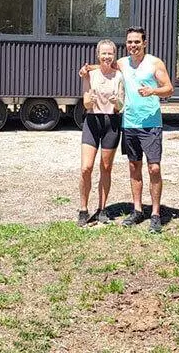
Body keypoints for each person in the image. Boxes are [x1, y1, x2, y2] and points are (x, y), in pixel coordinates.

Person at [80, 26, 174, 233]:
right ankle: (137, 210)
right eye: (130, 42)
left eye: (137, 42)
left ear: (144, 43)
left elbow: (169, 88)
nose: (133, 45)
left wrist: (153, 91)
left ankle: (156, 214)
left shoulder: (154, 63)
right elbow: (105, 66)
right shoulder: (122, 63)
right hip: (129, 123)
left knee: (154, 168)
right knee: (134, 168)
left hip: (151, 123)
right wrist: (86, 71)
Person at [78, 39, 125, 227]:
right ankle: (83, 209)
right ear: (98, 55)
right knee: (86, 168)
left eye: (110, 54)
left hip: (111, 123)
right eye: (103, 53)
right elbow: (85, 104)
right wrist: (90, 100)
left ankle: (102, 208)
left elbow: (121, 105)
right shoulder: (90, 74)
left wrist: (116, 102)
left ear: (114, 56)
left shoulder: (119, 76)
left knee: (106, 168)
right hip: (92, 121)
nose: (106, 57)